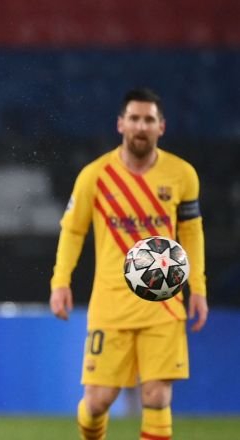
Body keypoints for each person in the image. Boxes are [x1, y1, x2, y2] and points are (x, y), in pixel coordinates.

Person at [49, 88, 208, 440]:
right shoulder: (95, 175)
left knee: (157, 396)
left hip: (163, 304)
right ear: (120, 124)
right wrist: (60, 282)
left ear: (161, 127)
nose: (141, 126)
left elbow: (192, 233)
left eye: (149, 119)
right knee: (97, 403)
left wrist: (198, 288)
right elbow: (73, 230)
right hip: (111, 304)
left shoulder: (182, 174)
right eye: (134, 118)